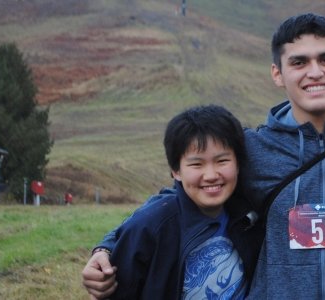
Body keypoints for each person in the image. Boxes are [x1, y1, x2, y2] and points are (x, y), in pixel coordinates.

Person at [82, 13, 325, 299]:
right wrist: (108, 246)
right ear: (277, 74)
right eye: (298, 62)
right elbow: (181, 195)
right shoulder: (254, 148)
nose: (314, 72)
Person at [103, 105, 263, 299]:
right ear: (175, 171)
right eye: (196, 164)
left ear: (238, 164)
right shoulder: (150, 226)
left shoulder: (250, 217)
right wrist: (102, 250)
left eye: (222, 161)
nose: (211, 175)